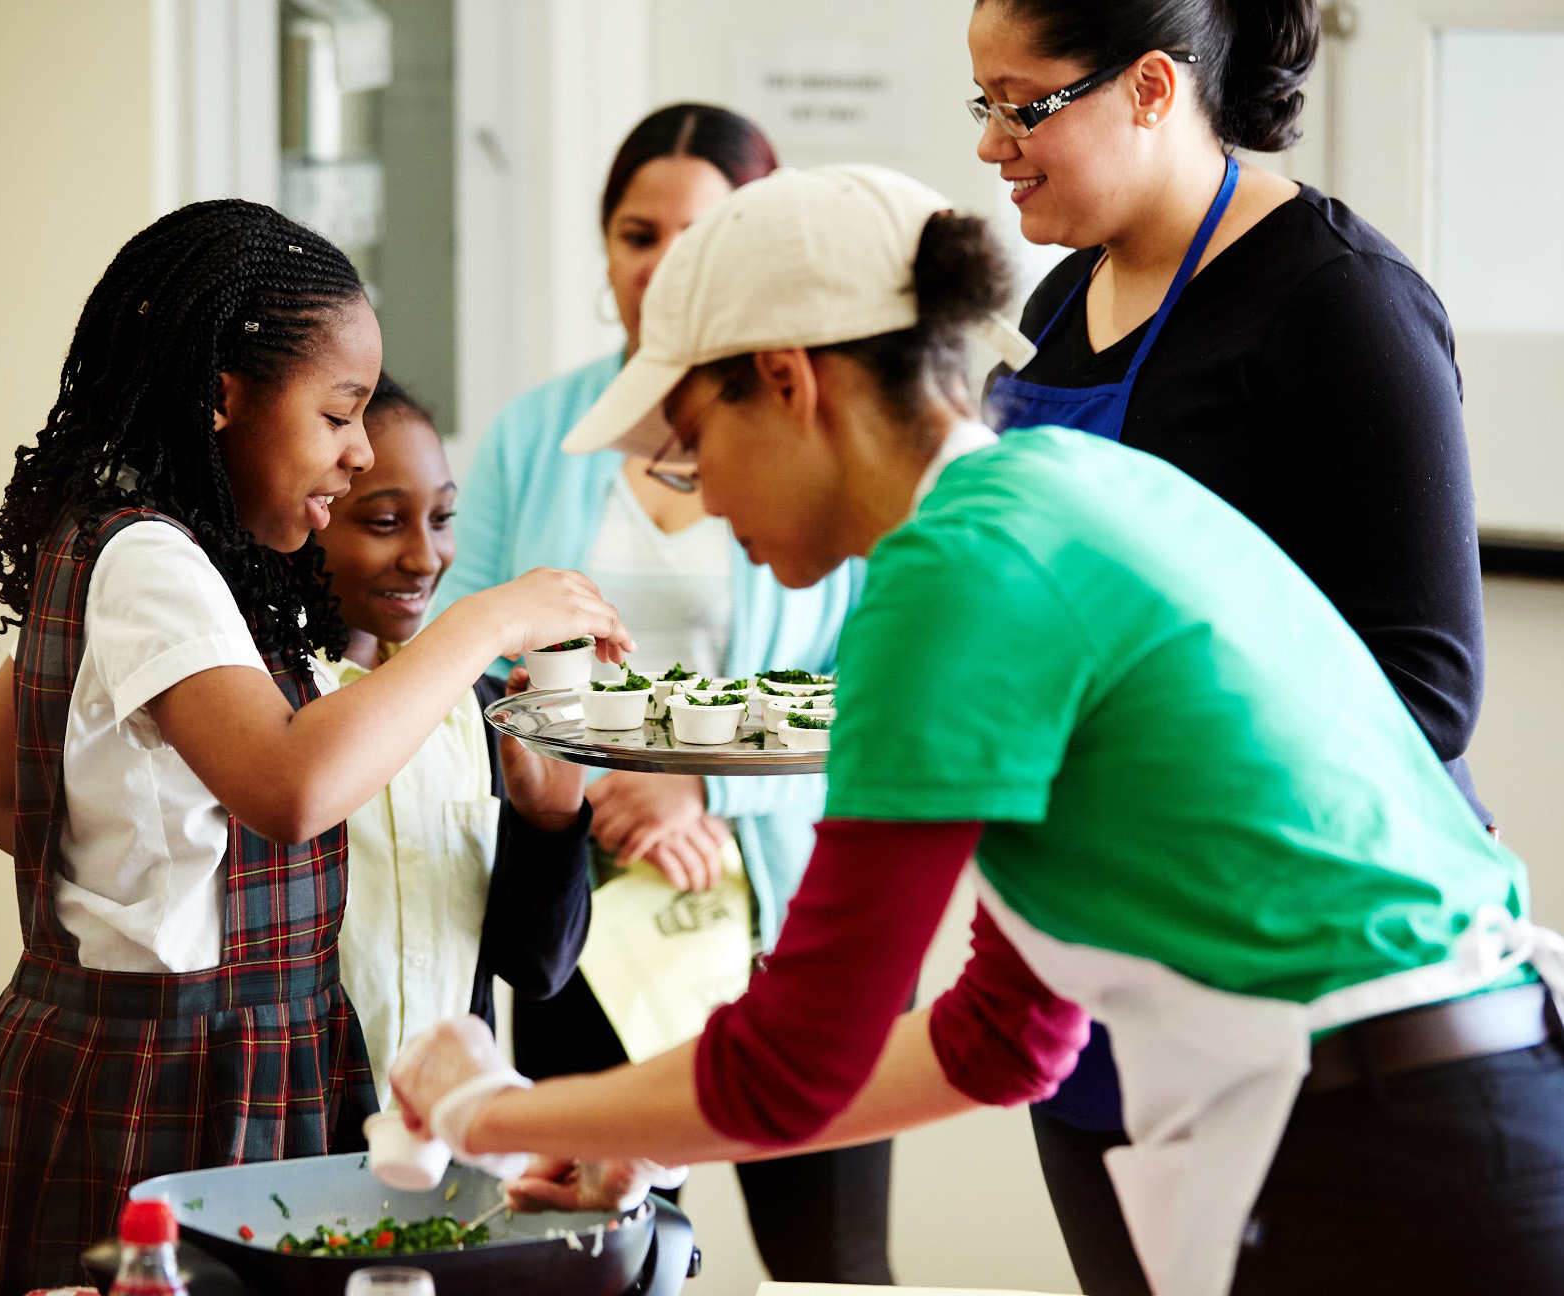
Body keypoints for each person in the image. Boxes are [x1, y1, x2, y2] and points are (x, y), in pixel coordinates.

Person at [388, 164, 1564, 1296]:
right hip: (1473, 1108)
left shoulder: (953, 569)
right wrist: (637, 1133)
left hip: (1385, 1149)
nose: (706, 500)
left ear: (791, 382)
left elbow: (797, 1059)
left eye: (695, 447)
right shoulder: (1065, 497)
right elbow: (1002, 1039)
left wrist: (486, 1112)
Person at [0, 199, 630, 1296]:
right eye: (339, 414)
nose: (356, 450)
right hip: (171, 1074)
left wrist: (147, 881)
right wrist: (489, 619)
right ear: (222, 395)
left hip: (228, 1055)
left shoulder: (166, 554)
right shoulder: (147, 561)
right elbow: (291, 789)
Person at [965, 3, 1495, 1285]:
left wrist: (1112, 765)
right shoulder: (1062, 300)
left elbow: (1425, 690)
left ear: (1152, 87)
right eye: (980, 104)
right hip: (1097, 955)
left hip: (1302, 972)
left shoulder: (1338, 303)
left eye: (1022, 106)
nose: (990, 144)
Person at [428, 103, 889, 1283]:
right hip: (588, 914)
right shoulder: (540, 432)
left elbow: (880, 694)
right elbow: (454, 651)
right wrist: (589, 791)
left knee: (829, 1261)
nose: (666, 266)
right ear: (604, 247)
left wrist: (701, 790)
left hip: (787, 911)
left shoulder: (829, 437)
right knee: (584, 1250)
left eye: (703, 237)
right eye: (639, 235)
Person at [314, 373, 595, 1102]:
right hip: (305, 1128)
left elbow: (539, 967)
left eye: (441, 519)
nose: (425, 557)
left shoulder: (479, 711)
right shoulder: (268, 706)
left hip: (444, 1135)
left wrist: (551, 820)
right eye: (384, 521)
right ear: (309, 510)